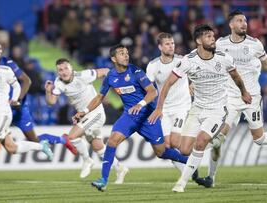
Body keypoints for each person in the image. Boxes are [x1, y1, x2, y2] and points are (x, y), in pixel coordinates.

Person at [194, 10, 267, 188]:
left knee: (258, 139)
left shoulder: (254, 44)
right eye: (240, 21)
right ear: (231, 25)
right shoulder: (220, 43)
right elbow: (207, 62)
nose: (244, 23)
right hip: (229, 99)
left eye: (245, 20)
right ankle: (211, 177)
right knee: (218, 138)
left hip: (252, 98)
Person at [149, 24, 252, 193]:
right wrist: (159, 108)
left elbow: (236, 77)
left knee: (201, 141)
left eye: (213, 36)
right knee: (184, 149)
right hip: (197, 109)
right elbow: (167, 84)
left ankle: (181, 183)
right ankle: (216, 142)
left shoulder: (223, 57)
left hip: (217, 110)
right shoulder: (189, 61)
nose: (213, 39)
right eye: (208, 36)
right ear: (198, 40)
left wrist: (244, 92)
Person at [73, 44, 189, 192]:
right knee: (113, 140)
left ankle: (189, 162)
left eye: (127, 53)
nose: (126, 55)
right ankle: (103, 180)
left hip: (148, 116)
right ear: (114, 58)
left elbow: (152, 92)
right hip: (130, 115)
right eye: (122, 53)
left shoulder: (135, 71)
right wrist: (84, 111)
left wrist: (140, 104)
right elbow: (99, 97)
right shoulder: (110, 76)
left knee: (161, 152)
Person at [0, 42, 76, 180]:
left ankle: (62, 140)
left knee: (31, 140)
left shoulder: (7, 64)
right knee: (2, 144)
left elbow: (26, 81)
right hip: (1, 110)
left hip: (17, 109)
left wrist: (17, 100)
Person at [45, 58, 129, 182]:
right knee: (98, 147)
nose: (63, 72)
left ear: (71, 68)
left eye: (66, 68)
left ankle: (87, 160)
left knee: (72, 136)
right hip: (84, 116)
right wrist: (48, 91)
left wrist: (113, 86)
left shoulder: (84, 75)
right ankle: (120, 168)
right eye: (60, 70)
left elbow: (106, 71)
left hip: (96, 112)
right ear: (58, 72)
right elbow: (51, 102)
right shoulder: (58, 83)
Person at [146, 32, 192, 172]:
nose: (171, 46)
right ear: (160, 47)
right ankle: (188, 172)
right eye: (167, 44)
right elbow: (148, 88)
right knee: (166, 145)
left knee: (176, 141)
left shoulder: (182, 60)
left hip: (181, 106)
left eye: (172, 43)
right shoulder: (153, 65)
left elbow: (196, 73)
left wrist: (193, 84)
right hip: (164, 108)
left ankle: (192, 162)